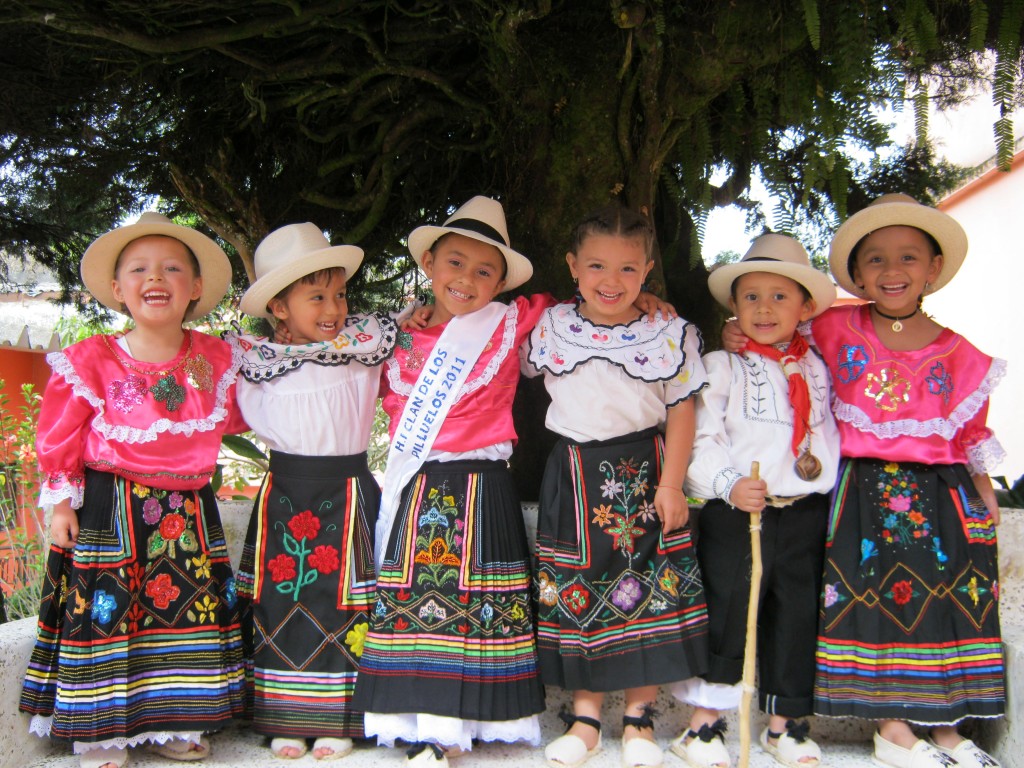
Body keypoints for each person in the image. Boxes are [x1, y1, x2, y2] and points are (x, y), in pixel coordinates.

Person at [724, 194, 1006, 768]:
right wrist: (734, 333)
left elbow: (973, 430)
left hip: (939, 494)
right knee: (878, 607)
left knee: (943, 607)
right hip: (858, 494)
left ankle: (949, 729)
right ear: (854, 273)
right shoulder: (831, 325)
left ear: (933, 269)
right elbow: (772, 325)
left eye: (908, 257)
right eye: (874, 259)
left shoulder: (961, 355)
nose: (891, 270)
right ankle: (895, 731)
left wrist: (982, 490)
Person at [19, 213, 248, 768]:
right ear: (118, 289)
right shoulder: (88, 360)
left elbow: (266, 404)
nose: (157, 277)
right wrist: (60, 505)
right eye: (140, 268)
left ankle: (176, 720)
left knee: (185, 616)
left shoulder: (219, 359)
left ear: (195, 289)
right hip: (109, 509)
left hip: (188, 515)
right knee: (107, 616)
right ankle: (100, 731)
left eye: (173, 268)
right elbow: (59, 435)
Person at [349, 196, 548, 767]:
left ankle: (460, 726)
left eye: (485, 271)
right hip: (417, 487)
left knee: (473, 608)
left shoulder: (512, 322)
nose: (466, 279)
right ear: (430, 263)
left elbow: (593, 307)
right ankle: (415, 721)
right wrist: (401, 317)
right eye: (455, 263)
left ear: (501, 283)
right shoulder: (393, 336)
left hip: (482, 486)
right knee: (418, 605)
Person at [522, 204, 711, 768]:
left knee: (644, 590)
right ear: (573, 266)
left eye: (629, 270)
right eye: (598, 266)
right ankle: (583, 719)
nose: (612, 282)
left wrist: (673, 485)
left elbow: (681, 410)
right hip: (573, 474)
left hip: (645, 472)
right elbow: (487, 342)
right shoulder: (550, 326)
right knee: (580, 586)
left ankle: (638, 721)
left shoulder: (668, 332)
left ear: (648, 269)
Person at [227, 223, 399, 760]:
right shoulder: (253, 364)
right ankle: (285, 717)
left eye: (340, 293)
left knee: (346, 603)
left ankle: (341, 720)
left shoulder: (364, 348)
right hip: (284, 496)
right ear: (279, 307)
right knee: (283, 602)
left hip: (349, 491)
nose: (334, 308)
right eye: (316, 296)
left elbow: (434, 337)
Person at [672, 234, 839, 768]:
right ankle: (704, 725)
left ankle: (784, 724)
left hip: (802, 512)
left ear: (806, 307)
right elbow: (703, 435)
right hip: (738, 511)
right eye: (750, 298)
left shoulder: (818, 368)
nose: (763, 309)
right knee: (728, 609)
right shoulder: (722, 365)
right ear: (732, 306)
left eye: (780, 297)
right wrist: (726, 483)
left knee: (794, 612)